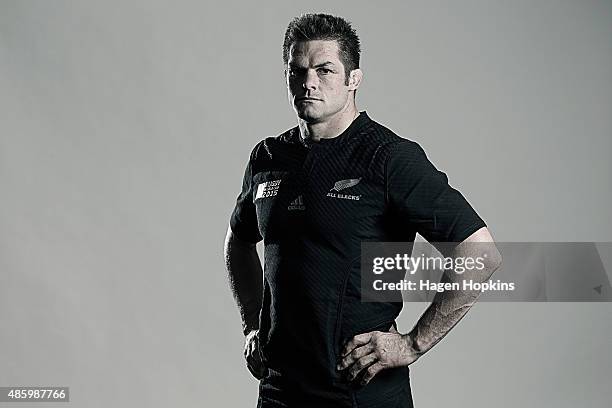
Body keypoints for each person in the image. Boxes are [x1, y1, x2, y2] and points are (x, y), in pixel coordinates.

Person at [224, 13, 502, 408]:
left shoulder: (388, 159)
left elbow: (479, 252)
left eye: (324, 70)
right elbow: (238, 243)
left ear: (354, 78)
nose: (309, 82)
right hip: (280, 392)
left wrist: (413, 344)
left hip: (360, 393)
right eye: (297, 70)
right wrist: (252, 323)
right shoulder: (269, 157)